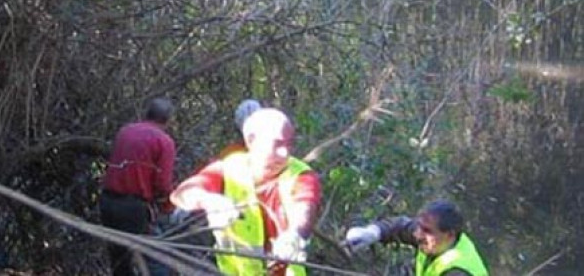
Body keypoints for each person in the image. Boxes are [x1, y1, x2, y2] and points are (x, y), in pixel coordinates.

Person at [170, 108, 322, 276]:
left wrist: (295, 235)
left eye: (289, 144)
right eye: (277, 144)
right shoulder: (229, 168)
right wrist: (210, 201)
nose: (285, 153)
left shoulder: (300, 174)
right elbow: (183, 193)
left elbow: (305, 207)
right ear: (251, 141)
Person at [100, 98, 177, 276]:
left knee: (119, 262)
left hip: (107, 202)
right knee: (156, 259)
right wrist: (168, 206)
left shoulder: (125, 131)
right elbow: (163, 184)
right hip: (133, 208)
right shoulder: (163, 141)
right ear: (168, 120)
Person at [343, 200, 489, 276]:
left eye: (426, 230)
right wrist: (374, 232)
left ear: (449, 234)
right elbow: (401, 226)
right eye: (419, 227)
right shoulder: (436, 240)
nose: (418, 235)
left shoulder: (458, 271)